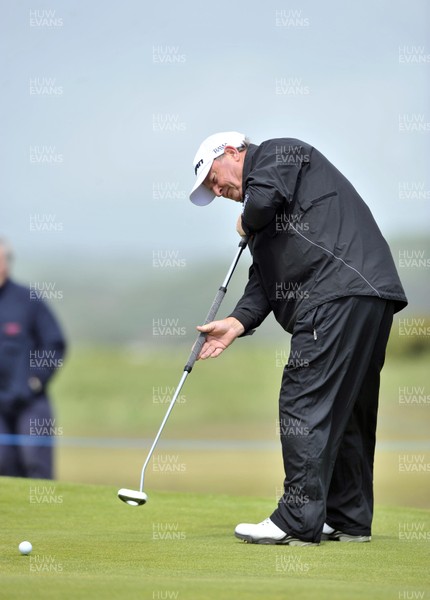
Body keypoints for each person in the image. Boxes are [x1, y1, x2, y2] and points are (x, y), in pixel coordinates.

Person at [189, 132, 407, 546]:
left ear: (233, 152)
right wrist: (236, 322)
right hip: (365, 296)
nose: (219, 192)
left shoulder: (275, 154)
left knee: (303, 399)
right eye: (211, 191)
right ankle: (348, 517)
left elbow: (259, 201)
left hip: (336, 294)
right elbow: (265, 278)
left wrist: (244, 223)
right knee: (348, 408)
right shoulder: (267, 212)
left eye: (215, 180)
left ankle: (296, 519)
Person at [0, 239, 66, 478]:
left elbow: (55, 343)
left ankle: (43, 513)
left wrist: (36, 380)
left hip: (30, 401)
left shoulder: (28, 301)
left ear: (6, 263)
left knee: (35, 463)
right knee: (3, 464)